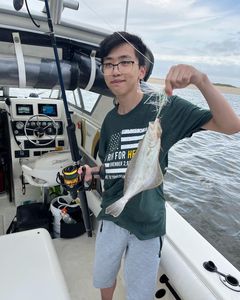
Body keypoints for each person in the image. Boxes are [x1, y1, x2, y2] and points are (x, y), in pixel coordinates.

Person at [78, 31, 240, 300]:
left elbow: (231, 126)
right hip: (112, 213)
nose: (115, 70)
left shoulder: (165, 107)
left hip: (147, 221)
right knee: (104, 274)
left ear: (142, 70)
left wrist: (201, 80)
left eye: (125, 62)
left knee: (139, 291)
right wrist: (92, 171)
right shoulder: (108, 121)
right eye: (109, 64)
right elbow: (113, 166)